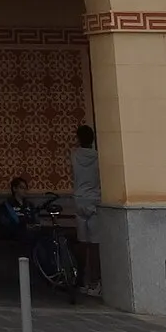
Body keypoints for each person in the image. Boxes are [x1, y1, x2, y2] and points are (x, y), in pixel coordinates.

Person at [70, 124, 102, 296]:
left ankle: (81, 280)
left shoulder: (74, 156)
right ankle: (95, 282)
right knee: (95, 245)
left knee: (82, 243)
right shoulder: (99, 157)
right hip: (95, 201)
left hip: (79, 200)